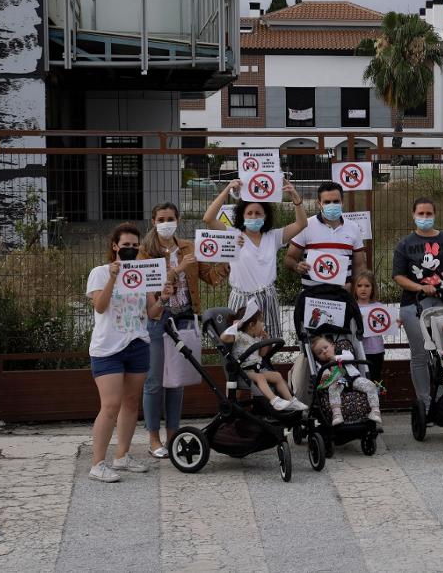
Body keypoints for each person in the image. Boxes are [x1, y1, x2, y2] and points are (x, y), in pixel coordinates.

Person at [138, 202, 227, 460]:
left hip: (186, 317)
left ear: (177, 220)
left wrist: (226, 259)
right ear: (153, 221)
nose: (166, 222)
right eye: (161, 218)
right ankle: (153, 437)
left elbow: (210, 277)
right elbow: (148, 286)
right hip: (158, 317)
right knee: (155, 381)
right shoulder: (145, 252)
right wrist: (174, 270)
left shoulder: (189, 246)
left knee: (176, 382)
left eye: (171, 218)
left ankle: (173, 434)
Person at [86, 223, 171, 483]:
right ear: (115, 246)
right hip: (108, 347)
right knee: (110, 405)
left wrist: (163, 298)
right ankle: (97, 463)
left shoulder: (141, 274)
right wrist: (114, 277)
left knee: (131, 403)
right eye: (126, 246)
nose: (131, 249)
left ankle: (121, 456)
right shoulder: (99, 273)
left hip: (137, 343)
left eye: (135, 246)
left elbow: (152, 313)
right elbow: (100, 307)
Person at [203, 177, 308, 342]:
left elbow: (301, 224)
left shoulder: (273, 237)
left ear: (265, 216)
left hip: (268, 298)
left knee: (268, 343)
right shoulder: (234, 235)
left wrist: (295, 198)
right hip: (242, 299)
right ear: (242, 216)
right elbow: (208, 219)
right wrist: (227, 189)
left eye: (258, 213)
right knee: (240, 345)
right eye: (249, 213)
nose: (253, 216)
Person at [392, 197, 443, 420]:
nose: (425, 218)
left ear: (435, 215)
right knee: (420, 355)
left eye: (428, 214)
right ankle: (424, 402)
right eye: (421, 214)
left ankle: (442, 399)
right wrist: (421, 287)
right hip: (414, 305)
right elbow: (398, 276)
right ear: (413, 215)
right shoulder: (405, 244)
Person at [284, 181, 367, 342]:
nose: (332, 205)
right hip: (312, 299)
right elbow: (289, 258)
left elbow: (360, 266)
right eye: (327, 202)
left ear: (342, 201)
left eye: (336, 201)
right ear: (319, 203)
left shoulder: (353, 228)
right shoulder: (306, 226)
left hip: (341, 297)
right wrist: (296, 265)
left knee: (343, 344)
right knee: (315, 347)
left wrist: (355, 288)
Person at [220, 302, 307, 411]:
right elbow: (223, 338)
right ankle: (275, 401)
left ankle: (291, 401)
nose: (263, 324)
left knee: (277, 376)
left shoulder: (256, 338)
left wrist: (265, 340)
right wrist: (235, 326)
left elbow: (262, 354)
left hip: (257, 369)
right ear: (251, 325)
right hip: (244, 371)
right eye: (261, 321)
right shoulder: (239, 336)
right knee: (260, 377)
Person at [309, 335, 382, 426]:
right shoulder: (321, 364)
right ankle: (337, 414)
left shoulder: (342, 352)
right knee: (333, 389)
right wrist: (326, 376)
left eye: (325, 347)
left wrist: (335, 357)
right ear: (318, 357)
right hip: (341, 381)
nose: (324, 351)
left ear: (332, 346)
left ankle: (375, 410)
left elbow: (350, 357)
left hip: (353, 378)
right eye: (320, 352)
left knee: (370, 385)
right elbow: (323, 375)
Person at [353, 270, 385, 384]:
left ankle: (375, 400)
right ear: (355, 288)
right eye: (359, 285)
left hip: (377, 350)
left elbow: (388, 324)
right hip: (358, 350)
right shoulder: (352, 307)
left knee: (375, 379)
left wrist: (396, 322)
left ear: (373, 288)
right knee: (360, 381)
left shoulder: (380, 307)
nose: (363, 289)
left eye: (367, 286)